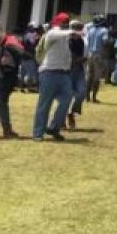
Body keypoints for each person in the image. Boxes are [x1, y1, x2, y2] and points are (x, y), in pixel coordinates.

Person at [32, 13, 77, 142]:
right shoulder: (53, 33)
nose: (66, 24)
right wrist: (72, 32)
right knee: (44, 104)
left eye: (67, 22)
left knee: (66, 101)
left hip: (64, 74)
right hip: (49, 73)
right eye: (64, 22)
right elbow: (60, 33)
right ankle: (38, 133)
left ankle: (53, 128)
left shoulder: (65, 37)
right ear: (57, 23)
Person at [84, 15, 110, 103]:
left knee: (89, 76)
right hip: (99, 55)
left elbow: (87, 42)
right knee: (96, 77)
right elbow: (105, 41)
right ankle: (94, 98)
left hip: (90, 54)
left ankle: (86, 96)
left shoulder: (90, 30)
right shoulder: (104, 30)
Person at [67, 20, 87, 128]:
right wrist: (80, 59)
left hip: (79, 69)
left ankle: (71, 112)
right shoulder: (66, 40)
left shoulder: (82, 41)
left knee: (82, 92)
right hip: (68, 70)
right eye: (77, 28)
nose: (79, 30)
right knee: (67, 95)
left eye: (80, 28)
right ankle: (62, 119)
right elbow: (71, 57)